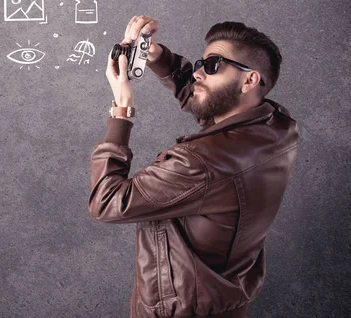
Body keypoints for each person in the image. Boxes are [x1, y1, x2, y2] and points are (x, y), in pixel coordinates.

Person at [89, 16, 298, 318]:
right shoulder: (276, 127)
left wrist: (121, 109)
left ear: (249, 79)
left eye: (213, 65)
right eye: (201, 63)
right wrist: (159, 58)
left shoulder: (200, 163)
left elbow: (106, 202)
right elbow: (210, 104)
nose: (199, 72)